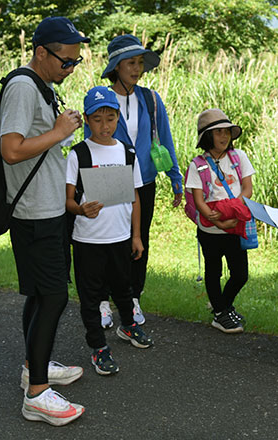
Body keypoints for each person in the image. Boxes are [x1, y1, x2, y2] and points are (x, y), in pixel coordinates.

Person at [0, 16, 87, 426]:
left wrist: (60, 127)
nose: (71, 67)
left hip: (48, 208)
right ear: (41, 52)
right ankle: (36, 393)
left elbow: (41, 139)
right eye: (66, 60)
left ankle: (34, 366)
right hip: (35, 212)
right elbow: (12, 150)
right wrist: (58, 132)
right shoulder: (21, 86)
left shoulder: (43, 87)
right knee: (53, 296)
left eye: (75, 60)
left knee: (39, 294)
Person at [84, 34, 183, 328]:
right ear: (116, 66)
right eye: (131, 62)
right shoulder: (103, 98)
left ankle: (133, 297)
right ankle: (103, 301)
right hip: (109, 175)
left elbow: (165, 139)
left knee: (140, 240)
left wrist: (175, 178)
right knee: (107, 240)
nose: (137, 68)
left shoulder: (150, 99)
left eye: (140, 62)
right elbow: (91, 138)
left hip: (145, 180)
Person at [66, 86, 154, 376]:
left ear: (118, 118)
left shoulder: (127, 153)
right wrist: (81, 209)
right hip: (88, 239)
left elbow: (135, 196)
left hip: (120, 237)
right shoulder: (78, 154)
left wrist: (137, 235)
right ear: (87, 120)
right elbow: (67, 200)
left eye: (111, 118)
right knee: (91, 297)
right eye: (98, 119)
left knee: (124, 288)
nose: (105, 126)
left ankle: (128, 326)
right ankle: (98, 347)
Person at [185, 109, 254, 333]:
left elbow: (247, 189)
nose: (224, 137)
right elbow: (199, 201)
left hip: (235, 225)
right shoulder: (197, 165)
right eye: (218, 133)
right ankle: (220, 313)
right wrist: (220, 222)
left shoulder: (239, 157)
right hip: (211, 230)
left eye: (227, 132)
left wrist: (232, 211)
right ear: (207, 137)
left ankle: (223, 306)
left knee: (240, 274)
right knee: (213, 272)